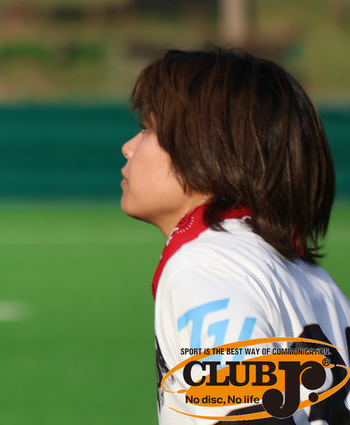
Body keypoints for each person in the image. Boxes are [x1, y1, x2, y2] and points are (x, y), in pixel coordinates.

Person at [120, 47, 350, 424]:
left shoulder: (205, 268)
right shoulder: (313, 278)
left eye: (147, 129)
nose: (128, 147)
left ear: (203, 148)